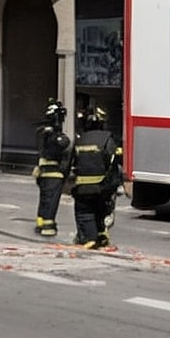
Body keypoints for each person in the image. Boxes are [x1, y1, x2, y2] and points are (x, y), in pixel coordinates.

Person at [71, 104, 124, 250]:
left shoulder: (80, 140)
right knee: (100, 209)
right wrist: (114, 183)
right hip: (102, 186)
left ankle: (90, 238)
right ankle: (101, 236)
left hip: (83, 186)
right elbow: (114, 160)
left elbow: (71, 163)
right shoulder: (107, 139)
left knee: (84, 212)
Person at [32, 99, 72, 238]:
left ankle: (41, 222)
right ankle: (48, 227)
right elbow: (64, 146)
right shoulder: (57, 138)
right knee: (51, 201)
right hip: (54, 174)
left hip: (42, 173)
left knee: (44, 199)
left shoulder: (42, 134)